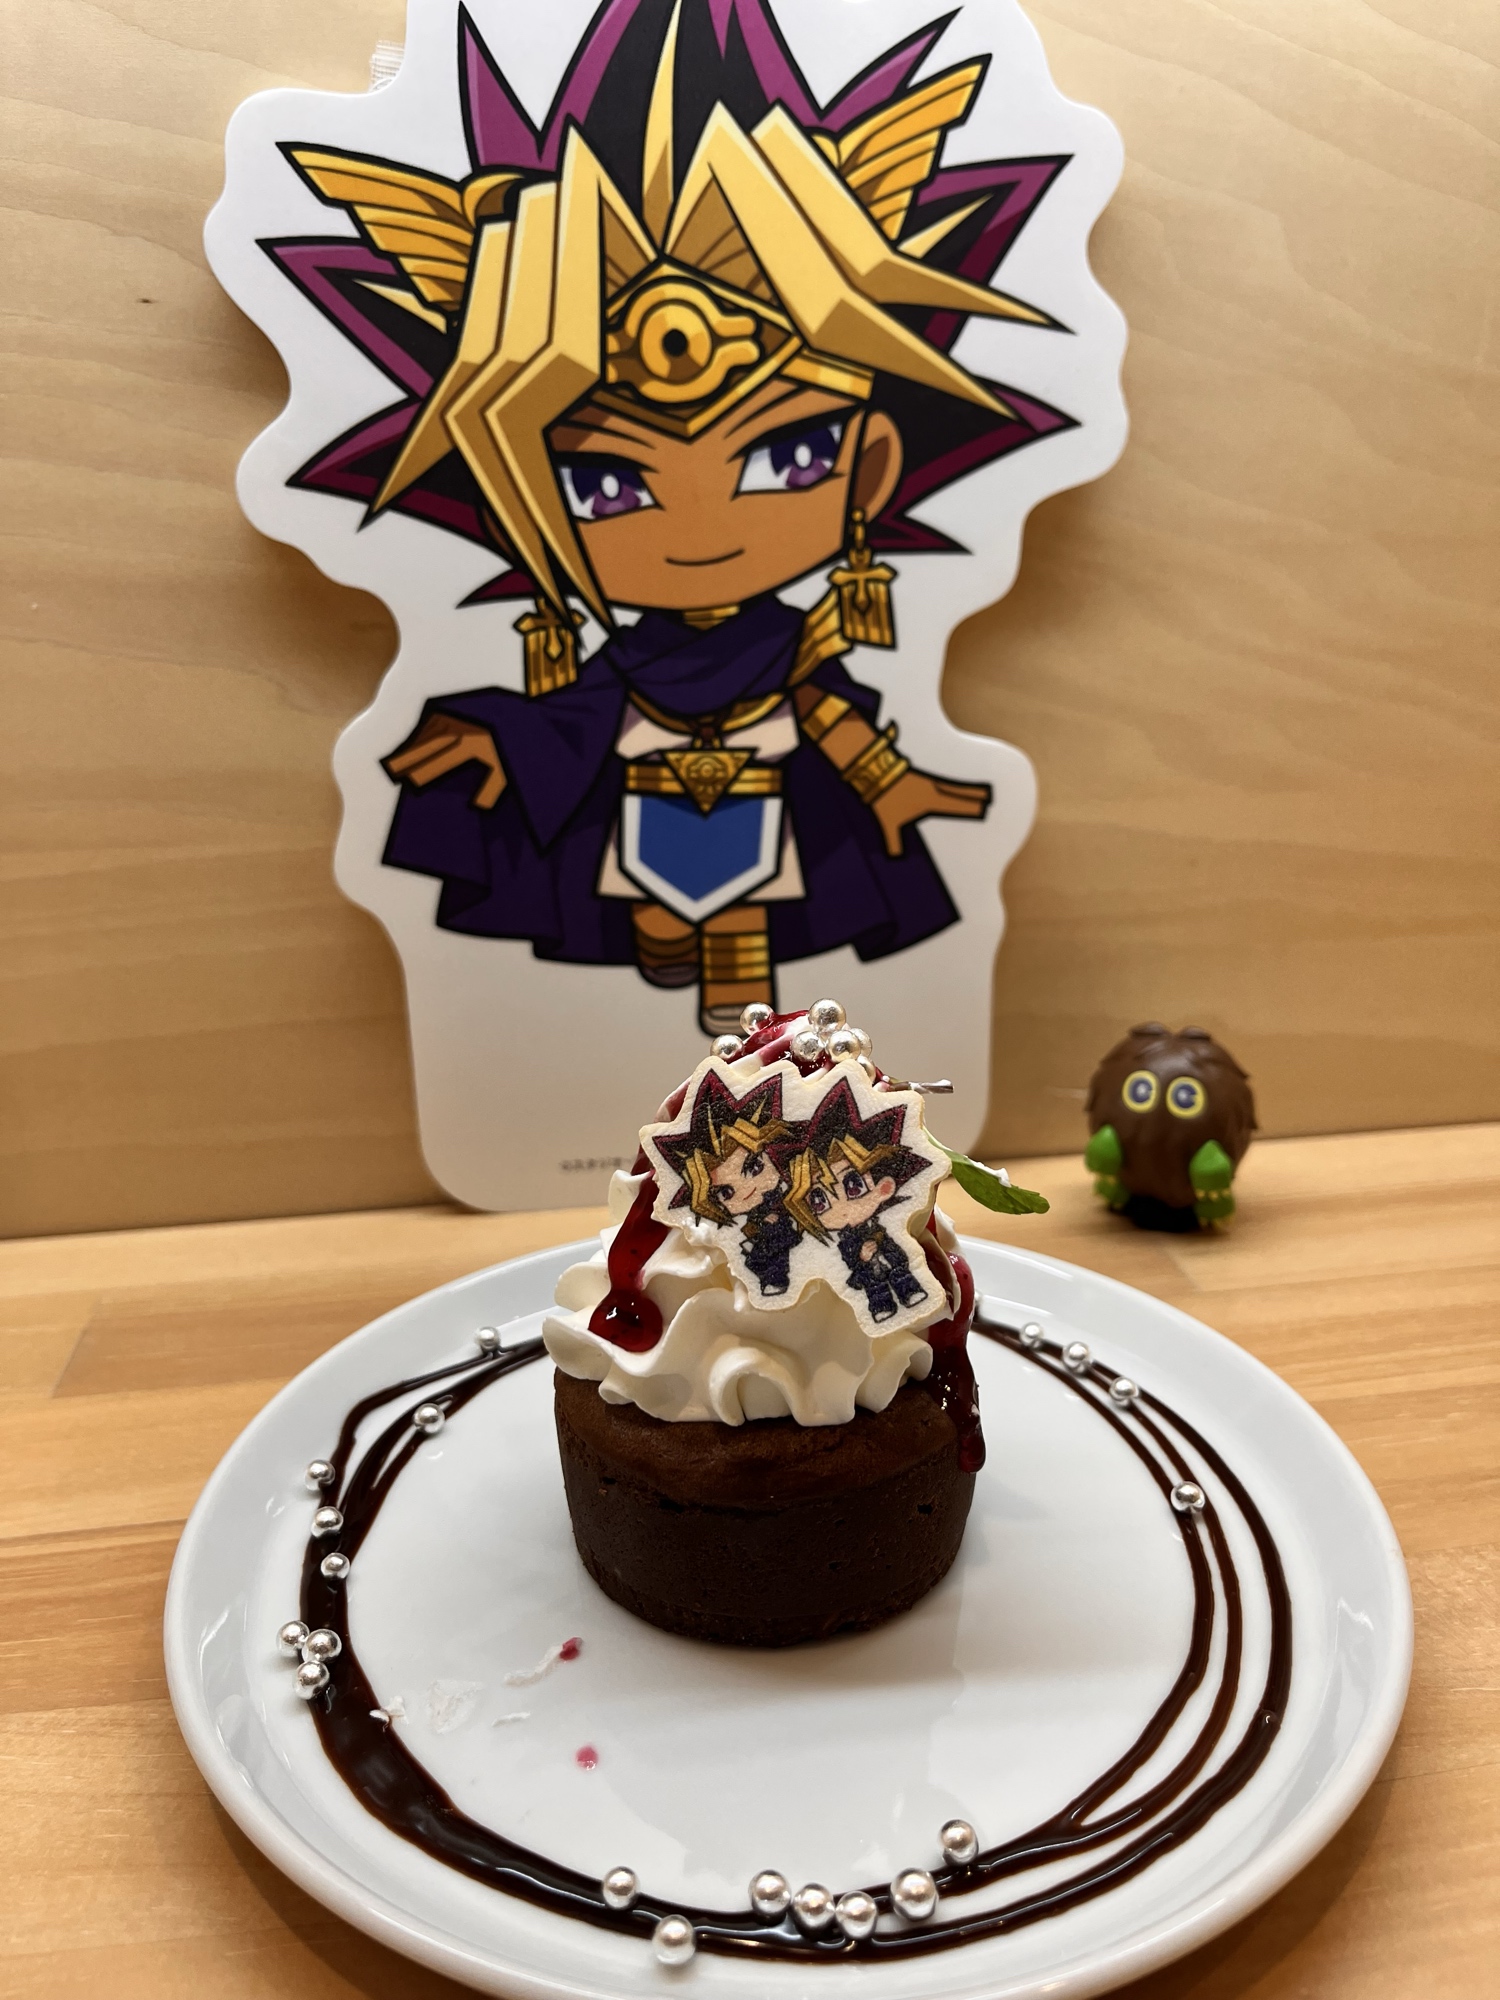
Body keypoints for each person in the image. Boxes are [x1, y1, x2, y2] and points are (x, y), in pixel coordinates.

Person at [271, 0, 1071, 1030]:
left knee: (747, 951)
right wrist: (503, 738)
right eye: (608, 483)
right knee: (649, 919)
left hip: (766, 783)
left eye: (786, 455)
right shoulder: (619, 656)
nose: (701, 529)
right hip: (644, 790)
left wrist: (890, 780)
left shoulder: (798, 641)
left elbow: (822, 701)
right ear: (516, 505)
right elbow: (582, 706)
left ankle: (737, 1021)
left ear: (870, 467)